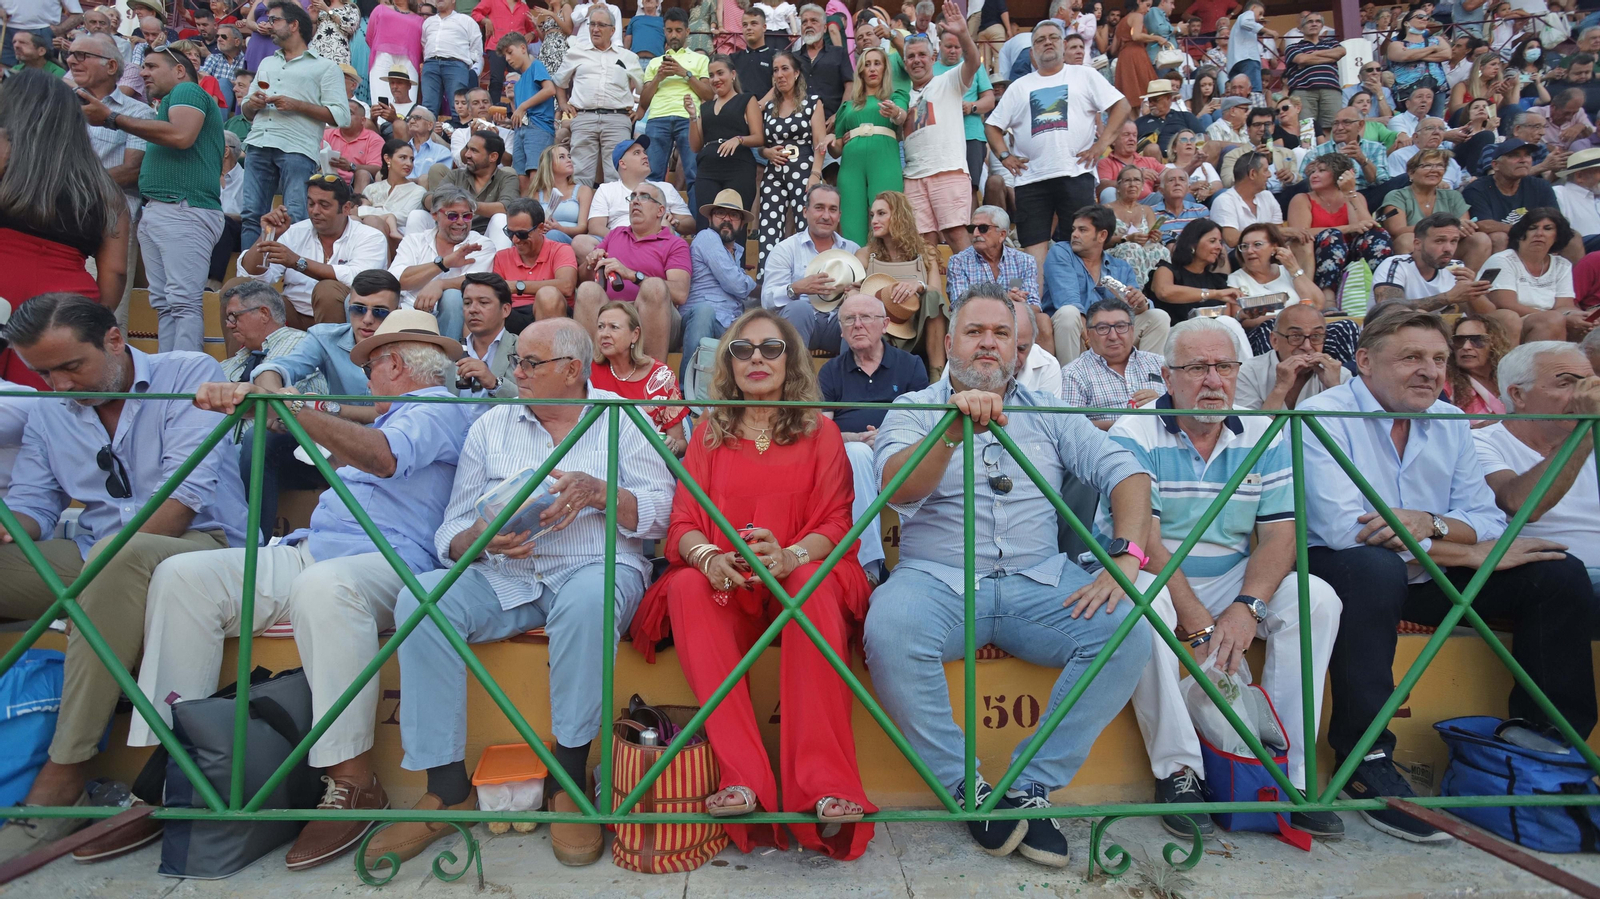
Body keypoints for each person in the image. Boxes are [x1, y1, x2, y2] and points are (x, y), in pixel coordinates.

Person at [131, 308, 473, 871]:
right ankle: (176, 769)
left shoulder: (438, 408)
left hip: (389, 566)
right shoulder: (384, 413)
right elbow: (318, 425)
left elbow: (383, 459)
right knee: (182, 577)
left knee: (325, 585)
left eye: (371, 366)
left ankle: (353, 781)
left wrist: (287, 405)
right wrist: (254, 397)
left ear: (394, 364)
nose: (365, 378)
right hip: (316, 551)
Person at [866, 282, 1155, 868]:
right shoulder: (915, 407)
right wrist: (950, 430)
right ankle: (966, 790)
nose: (988, 345)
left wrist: (1126, 558)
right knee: (890, 630)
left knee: (1127, 631)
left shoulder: (1047, 409)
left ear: (1020, 346)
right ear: (948, 343)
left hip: (1038, 582)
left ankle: (1028, 786)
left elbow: (1125, 469)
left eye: (1002, 333)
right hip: (938, 581)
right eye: (975, 332)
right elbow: (897, 486)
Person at [377, 318, 671, 868]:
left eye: (529, 363)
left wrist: (601, 493)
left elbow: (661, 515)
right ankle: (446, 788)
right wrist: (482, 538)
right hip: (504, 575)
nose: (516, 372)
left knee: (586, 601)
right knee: (421, 599)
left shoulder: (623, 420)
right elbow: (450, 533)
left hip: (595, 565)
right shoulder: (492, 426)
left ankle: (568, 778)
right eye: (517, 363)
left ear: (571, 370)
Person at [1301, 305, 1596, 844]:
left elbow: (1484, 517)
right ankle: (1364, 760)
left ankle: (1548, 744)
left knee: (1557, 573)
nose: (1430, 371)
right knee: (1374, 569)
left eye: (1438, 359)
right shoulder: (1324, 413)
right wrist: (1466, 553)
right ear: (1364, 361)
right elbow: (1346, 529)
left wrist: (1434, 524)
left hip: (1421, 570)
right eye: (1411, 357)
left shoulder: (1450, 419)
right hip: (1342, 568)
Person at [0, 294, 247, 849]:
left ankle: (64, 775)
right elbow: (35, 511)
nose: (60, 385)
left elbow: (181, 504)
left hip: (202, 546)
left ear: (115, 340)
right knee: (106, 559)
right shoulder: (48, 410)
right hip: (94, 556)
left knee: (118, 556)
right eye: (44, 373)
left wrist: (106, 552)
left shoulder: (188, 373)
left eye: (71, 366)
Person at [628, 307, 873, 859]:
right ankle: (742, 778)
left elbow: (837, 522)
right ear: (728, 364)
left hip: (799, 579)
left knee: (810, 581)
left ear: (791, 362)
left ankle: (826, 783)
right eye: (742, 350)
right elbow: (684, 523)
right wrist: (711, 556)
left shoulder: (823, 433)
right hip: (729, 587)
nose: (756, 358)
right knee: (688, 586)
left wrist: (787, 556)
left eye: (770, 348)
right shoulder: (709, 435)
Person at [1118, 317, 1343, 840]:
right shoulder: (1135, 431)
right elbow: (1145, 540)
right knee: (1139, 601)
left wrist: (1247, 607)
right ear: (1168, 376)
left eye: (1224, 367)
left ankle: (1291, 777)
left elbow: (1281, 537)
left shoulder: (1264, 432)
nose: (1213, 380)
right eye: (1197, 367)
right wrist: (1197, 622)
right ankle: (1180, 772)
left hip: (1236, 575)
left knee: (1317, 599)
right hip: (1163, 572)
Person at [984, 20, 1129, 270]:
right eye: (1040, 40)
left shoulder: (1084, 75)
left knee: (1082, 245)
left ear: (1063, 45)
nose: (1047, 42)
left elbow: (1122, 106)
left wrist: (1101, 145)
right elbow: (992, 126)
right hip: (1031, 179)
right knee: (1033, 252)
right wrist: (1005, 156)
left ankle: (1080, 303)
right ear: (1032, 52)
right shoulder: (1019, 86)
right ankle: (1037, 307)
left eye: (1053, 37)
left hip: (1075, 172)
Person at [0, 73, 125, 357]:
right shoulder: (105, 188)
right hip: (64, 308)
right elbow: (115, 272)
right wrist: (89, 322)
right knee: (49, 394)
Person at [1476, 341, 1600, 602]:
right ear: (1518, 396)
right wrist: (1587, 428)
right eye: (1566, 383)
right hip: (1551, 578)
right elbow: (1523, 506)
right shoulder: (1482, 441)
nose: (1584, 395)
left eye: (1590, 383)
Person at [238, 0, 351, 250]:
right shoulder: (268, 62)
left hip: (297, 149)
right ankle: (247, 279)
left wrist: (297, 105)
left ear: (294, 25)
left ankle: (291, 278)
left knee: (296, 218)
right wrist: (253, 103)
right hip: (258, 142)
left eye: (274, 20)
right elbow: (246, 111)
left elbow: (342, 116)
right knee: (250, 216)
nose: (268, 24)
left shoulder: (326, 67)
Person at [237, 174, 390, 328]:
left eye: (324, 205)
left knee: (327, 291)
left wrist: (298, 262)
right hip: (292, 316)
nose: (315, 211)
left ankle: (332, 351)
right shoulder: (294, 232)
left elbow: (357, 278)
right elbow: (253, 278)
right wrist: (267, 235)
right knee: (239, 288)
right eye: (311, 204)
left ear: (346, 208)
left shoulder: (370, 237)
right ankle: (239, 354)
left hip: (348, 321)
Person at [576, 180, 691, 362]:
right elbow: (582, 279)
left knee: (654, 286)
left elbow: (680, 293)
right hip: (612, 314)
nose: (635, 201)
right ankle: (592, 377)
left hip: (654, 314)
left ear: (660, 211)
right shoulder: (615, 234)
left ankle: (653, 377)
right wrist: (591, 263)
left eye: (644, 197)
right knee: (587, 290)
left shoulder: (675, 244)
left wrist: (632, 275)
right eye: (633, 197)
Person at [1046, 205, 1170, 365]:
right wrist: (1090, 340)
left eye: (1082, 230)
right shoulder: (1061, 252)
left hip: (1109, 335)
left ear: (1102, 235)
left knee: (1158, 317)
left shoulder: (1121, 268)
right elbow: (1068, 300)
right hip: (1077, 337)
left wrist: (1141, 303)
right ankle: (1071, 381)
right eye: (1074, 229)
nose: (1074, 235)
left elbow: (1135, 310)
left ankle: (1146, 381)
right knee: (1069, 313)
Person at [901, 5, 979, 251]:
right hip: (913, 177)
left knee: (956, 235)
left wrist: (964, 34)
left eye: (922, 55)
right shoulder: (901, 96)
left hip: (948, 169)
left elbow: (974, 61)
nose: (917, 61)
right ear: (905, 63)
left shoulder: (949, 80)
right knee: (924, 245)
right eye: (911, 56)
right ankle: (933, 291)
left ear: (933, 58)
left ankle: (973, 290)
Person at [1225, 221, 1350, 356]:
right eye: (1244, 246)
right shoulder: (1236, 279)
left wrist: (1294, 268)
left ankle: (1339, 375)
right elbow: (1242, 319)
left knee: (1345, 327)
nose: (1249, 251)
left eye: (1257, 245)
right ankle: (1276, 375)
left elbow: (1318, 304)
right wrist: (1286, 319)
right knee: (1270, 326)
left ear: (1274, 247)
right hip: (1268, 334)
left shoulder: (1287, 271)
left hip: (1304, 331)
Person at [857, 190, 948, 371]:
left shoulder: (925, 252)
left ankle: (936, 374)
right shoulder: (866, 254)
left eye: (881, 214)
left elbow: (937, 293)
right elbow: (854, 294)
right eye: (872, 215)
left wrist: (919, 285)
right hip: (882, 330)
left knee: (932, 298)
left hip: (919, 329)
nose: (874, 220)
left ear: (899, 216)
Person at [389, 184, 494, 340]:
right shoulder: (414, 241)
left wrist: (440, 284)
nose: (461, 222)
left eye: (467, 216)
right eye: (452, 216)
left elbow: (477, 282)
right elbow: (397, 281)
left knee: (452, 296)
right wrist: (442, 264)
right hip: (408, 310)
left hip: (455, 318)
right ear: (434, 215)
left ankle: (448, 360)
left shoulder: (481, 244)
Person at [762, 183, 859, 351]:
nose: (826, 216)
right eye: (819, 208)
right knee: (799, 308)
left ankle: (850, 375)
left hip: (838, 324)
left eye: (833, 209)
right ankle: (794, 376)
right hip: (797, 325)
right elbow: (767, 300)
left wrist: (856, 293)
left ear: (839, 215)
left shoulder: (852, 250)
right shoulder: (786, 249)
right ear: (805, 211)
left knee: (858, 313)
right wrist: (795, 289)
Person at [553, 8, 644, 185]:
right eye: (592, 24)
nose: (595, 29)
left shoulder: (628, 57)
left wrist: (640, 111)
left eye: (601, 25)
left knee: (617, 175)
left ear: (613, 30)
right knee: (580, 175)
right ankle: (581, 212)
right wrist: (563, 104)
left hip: (617, 119)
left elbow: (646, 87)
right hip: (583, 117)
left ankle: (615, 213)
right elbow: (559, 81)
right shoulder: (576, 52)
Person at [755, 49, 826, 268]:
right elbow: (760, 144)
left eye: (785, 69)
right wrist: (766, 152)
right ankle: (768, 278)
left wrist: (815, 174)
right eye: (775, 70)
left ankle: (809, 273)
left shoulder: (813, 102)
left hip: (804, 168)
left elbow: (820, 144)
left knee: (804, 224)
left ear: (797, 73)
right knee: (768, 226)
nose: (779, 74)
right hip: (774, 171)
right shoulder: (768, 109)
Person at [1288, 153, 1395, 296]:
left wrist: (1350, 193)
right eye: (1313, 171)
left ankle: (1384, 291)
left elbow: (1367, 227)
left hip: (1351, 253)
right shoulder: (1301, 199)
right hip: (1318, 253)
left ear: (1340, 174)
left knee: (1377, 235)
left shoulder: (1356, 196)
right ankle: (1328, 297)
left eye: (1322, 170)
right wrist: (1347, 229)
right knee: (1333, 236)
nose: (1314, 175)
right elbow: (1301, 233)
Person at [588, 300, 688, 453]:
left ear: (634, 335)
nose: (604, 334)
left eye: (614, 327)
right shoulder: (588, 372)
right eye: (600, 327)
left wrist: (672, 446)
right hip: (598, 465)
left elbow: (681, 442)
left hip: (647, 465)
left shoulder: (661, 376)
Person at [830, 47, 906, 245]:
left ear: (885, 69)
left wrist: (895, 111)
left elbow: (901, 116)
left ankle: (885, 273)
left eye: (877, 63)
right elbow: (836, 148)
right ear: (861, 71)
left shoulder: (896, 96)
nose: (872, 69)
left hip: (885, 161)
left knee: (887, 216)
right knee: (851, 221)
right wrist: (829, 143)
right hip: (850, 166)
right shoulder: (847, 106)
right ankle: (856, 271)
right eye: (867, 64)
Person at [1148, 219, 1252, 361]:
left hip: (1212, 344)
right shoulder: (1167, 270)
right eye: (1212, 241)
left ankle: (1246, 375)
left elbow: (1228, 317)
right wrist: (1213, 294)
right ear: (1192, 243)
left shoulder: (1216, 281)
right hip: (1175, 339)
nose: (1219, 247)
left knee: (1229, 323)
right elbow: (1164, 292)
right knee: (1205, 321)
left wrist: (1248, 313)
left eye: (1220, 242)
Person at [1061, 295, 1168, 427]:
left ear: (1132, 330)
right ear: (1088, 334)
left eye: (1121, 326)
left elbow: (1187, 413)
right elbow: (1070, 427)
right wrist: (1128, 425)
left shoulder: (1159, 363)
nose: (1113, 336)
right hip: (1107, 445)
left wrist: (1162, 405)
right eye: (1103, 328)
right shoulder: (1074, 373)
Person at [578, 136, 696, 253]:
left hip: (656, 241)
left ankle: (623, 267)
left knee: (665, 224)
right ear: (623, 164)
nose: (645, 156)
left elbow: (690, 224)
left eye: (644, 152)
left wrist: (676, 222)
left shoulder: (665, 188)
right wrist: (625, 240)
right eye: (637, 153)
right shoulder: (606, 189)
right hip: (619, 243)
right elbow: (595, 226)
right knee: (581, 242)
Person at [1482, 208, 1583, 340]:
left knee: (1586, 326)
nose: (1539, 233)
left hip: (1551, 320)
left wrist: (1572, 315)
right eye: (1532, 228)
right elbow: (1505, 304)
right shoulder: (1502, 260)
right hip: (1511, 321)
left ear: (1557, 236)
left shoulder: (1562, 265)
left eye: (1547, 228)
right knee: (1551, 321)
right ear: (1521, 234)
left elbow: (1564, 305)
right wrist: (1557, 317)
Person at [686, 189, 757, 368]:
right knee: (705, 311)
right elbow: (737, 285)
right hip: (705, 320)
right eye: (720, 213)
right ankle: (686, 388)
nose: (727, 219)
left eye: (734, 215)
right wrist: (750, 283)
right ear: (710, 219)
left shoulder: (737, 252)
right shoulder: (707, 237)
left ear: (741, 224)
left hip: (730, 323)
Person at [689, 54, 761, 228]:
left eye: (720, 73)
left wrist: (738, 139)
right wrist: (692, 117)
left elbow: (759, 137)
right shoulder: (704, 106)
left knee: (735, 223)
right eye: (711, 75)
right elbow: (695, 146)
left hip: (738, 168)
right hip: (707, 169)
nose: (715, 79)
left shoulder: (746, 99)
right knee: (706, 224)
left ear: (733, 74)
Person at [1235, 302, 1351, 410]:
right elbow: (1252, 431)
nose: (1307, 346)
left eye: (1316, 336)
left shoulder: (1340, 375)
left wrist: (1335, 388)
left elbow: (1351, 430)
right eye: (1295, 336)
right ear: (1275, 341)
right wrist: (1280, 388)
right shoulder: (1247, 373)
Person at [492, 198, 579, 331]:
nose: (515, 240)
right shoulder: (502, 256)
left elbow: (566, 286)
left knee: (547, 295)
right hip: (513, 315)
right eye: (510, 233)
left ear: (540, 228)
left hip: (554, 316)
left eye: (522, 234)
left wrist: (517, 286)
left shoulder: (560, 250)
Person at [1462, 139, 1560, 254]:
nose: (1523, 160)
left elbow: (1556, 220)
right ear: (1495, 165)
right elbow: (1483, 224)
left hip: (1536, 237)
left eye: (1527, 155)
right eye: (1514, 156)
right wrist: (1525, 231)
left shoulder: (1541, 185)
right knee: (1499, 237)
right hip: (1504, 242)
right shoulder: (1477, 189)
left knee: (1572, 237)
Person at [496, 33, 557, 179]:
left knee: (535, 175)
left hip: (538, 128)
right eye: (505, 56)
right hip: (520, 132)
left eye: (510, 52)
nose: (508, 59)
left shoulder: (536, 65)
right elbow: (521, 116)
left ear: (523, 48)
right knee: (520, 177)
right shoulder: (518, 84)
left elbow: (550, 89)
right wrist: (507, 121)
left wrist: (522, 106)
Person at [435, 131, 519, 235]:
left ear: (493, 157)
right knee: (418, 215)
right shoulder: (456, 175)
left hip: (486, 235)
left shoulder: (507, 178)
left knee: (501, 218)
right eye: (468, 149)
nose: (467, 155)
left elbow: (507, 207)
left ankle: (498, 252)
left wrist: (466, 205)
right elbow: (434, 198)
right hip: (452, 231)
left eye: (474, 151)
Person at [454, 271, 519, 397]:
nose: (473, 309)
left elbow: (536, 403)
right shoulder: (450, 354)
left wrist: (494, 383)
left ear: (505, 310)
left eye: (483, 302)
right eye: (467, 303)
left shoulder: (523, 350)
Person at [1106, 165, 1171, 289]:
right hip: (1117, 253)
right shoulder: (1106, 209)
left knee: (1161, 250)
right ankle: (1133, 293)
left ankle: (1159, 291)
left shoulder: (1146, 210)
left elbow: (1152, 238)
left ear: (1142, 186)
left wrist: (1155, 237)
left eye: (1136, 180)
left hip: (1143, 253)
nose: (1132, 184)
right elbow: (1100, 240)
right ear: (1118, 187)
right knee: (1132, 248)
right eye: (1127, 180)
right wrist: (1126, 238)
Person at [1283, 12, 1344, 134]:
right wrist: (1329, 57)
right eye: (1310, 21)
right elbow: (1301, 59)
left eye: (1317, 21)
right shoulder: (1293, 47)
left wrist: (1311, 55)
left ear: (1322, 26)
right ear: (1302, 27)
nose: (1314, 24)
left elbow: (1342, 51)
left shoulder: (1331, 43)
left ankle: (1329, 154)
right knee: (1306, 129)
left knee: (1332, 128)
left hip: (1331, 89)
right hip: (1303, 90)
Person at [418, 0, 481, 115]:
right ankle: (428, 133)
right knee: (428, 107)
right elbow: (424, 43)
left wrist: (467, 64)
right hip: (431, 64)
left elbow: (476, 46)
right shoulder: (428, 22)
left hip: (456, 65)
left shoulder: (466, 20)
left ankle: (459, 133)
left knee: (458, 107)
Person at [1210, 152, 1285, 248]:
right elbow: (1232, 240)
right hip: (1238, 256)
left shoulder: (1268, 196)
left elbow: (1279, 235)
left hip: (1268, 253)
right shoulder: (1224, 201)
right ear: (1252, 174)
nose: (1269, 175)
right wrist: (1276, 232)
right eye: (1265, 170)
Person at [1444, 312, 1510, 420]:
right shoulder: (1445, 384)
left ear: (1494, 344)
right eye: (1459, 340)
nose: (1466, 347)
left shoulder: (1511, 379)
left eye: (1476, 340)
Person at [791, 4, 853, 118]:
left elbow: (850, 85)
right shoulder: (793, 58)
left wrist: (839, 115)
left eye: (814, 21)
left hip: (832, 122)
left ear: (825, 28)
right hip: (799, 124)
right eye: (804, 22)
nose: (808, 25)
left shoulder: (839, 53)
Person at [359, 138, 429, 240]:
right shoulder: (371, 189)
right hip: (365, 236)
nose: (409, 163)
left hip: (398, 240)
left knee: (372, 221)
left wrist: (366, 211)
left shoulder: (418, 191)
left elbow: (405, 217)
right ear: (387, 159)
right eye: (403, 157)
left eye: (411, 159)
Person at [1218, 106, 1297, 192]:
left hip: (1284, 194)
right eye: (1257, 125)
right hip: (1254, 196)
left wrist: (1292, 177)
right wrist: (1252, 160)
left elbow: (1299, 179)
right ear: (1248, 130)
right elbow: (1228, 183)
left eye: (1267, 124)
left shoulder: (1287, 153)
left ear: (1273, 128)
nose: (1263, 129)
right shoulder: (1233, 155)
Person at [527, 144, 589, 246]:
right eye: (561, 157)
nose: (569, 160)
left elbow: (584, 228)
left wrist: (560, 229)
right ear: (549, 164)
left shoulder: (583, 190)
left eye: (569, 156)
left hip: (571, 241)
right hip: (543, 239)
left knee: (553, 235)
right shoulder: (536, 194)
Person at [1143, 166, 1210, 246]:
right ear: (1161, 190)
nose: (1177, 183)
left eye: (1182, 179)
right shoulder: (1150, 213)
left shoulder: (1201, 211)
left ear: (1188, 188)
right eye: (1171, 180)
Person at [1012, 302, 1061, 396]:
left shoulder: (1048, 365)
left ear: (1033, 341)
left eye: (1022, 348)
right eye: (1009, 347)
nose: (1014, 356)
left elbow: (1048, 409)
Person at [1135, 79, 1200, 149]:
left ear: (1168, 98)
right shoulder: (1139, 123)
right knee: (1152, 149)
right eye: (1149, 100)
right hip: (1152, 158)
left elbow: (1202, 138)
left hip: (1183, 157)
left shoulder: (1186, 117)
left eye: (1155, 100)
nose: (1151, 104)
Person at [1226, 0, 1273, 92]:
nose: (1261, 17)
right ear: (1253, 8)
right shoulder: (1248, 14)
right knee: (1254, 89)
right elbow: (1245, 22)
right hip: (1248, 59)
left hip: (1235, 62)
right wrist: (1268, 31)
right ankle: (1256, 106)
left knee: (1238, 92)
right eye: (1260, 13)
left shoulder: (1236, 25)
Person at [733, 7, 777, 102]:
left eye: (754, 23)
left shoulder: (776, 56)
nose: (748, 28)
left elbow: (778, 87)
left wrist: (758, 107)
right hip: (738, 112)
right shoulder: (733, 59)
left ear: (764, 27)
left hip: (768, 112)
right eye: (745, 25)